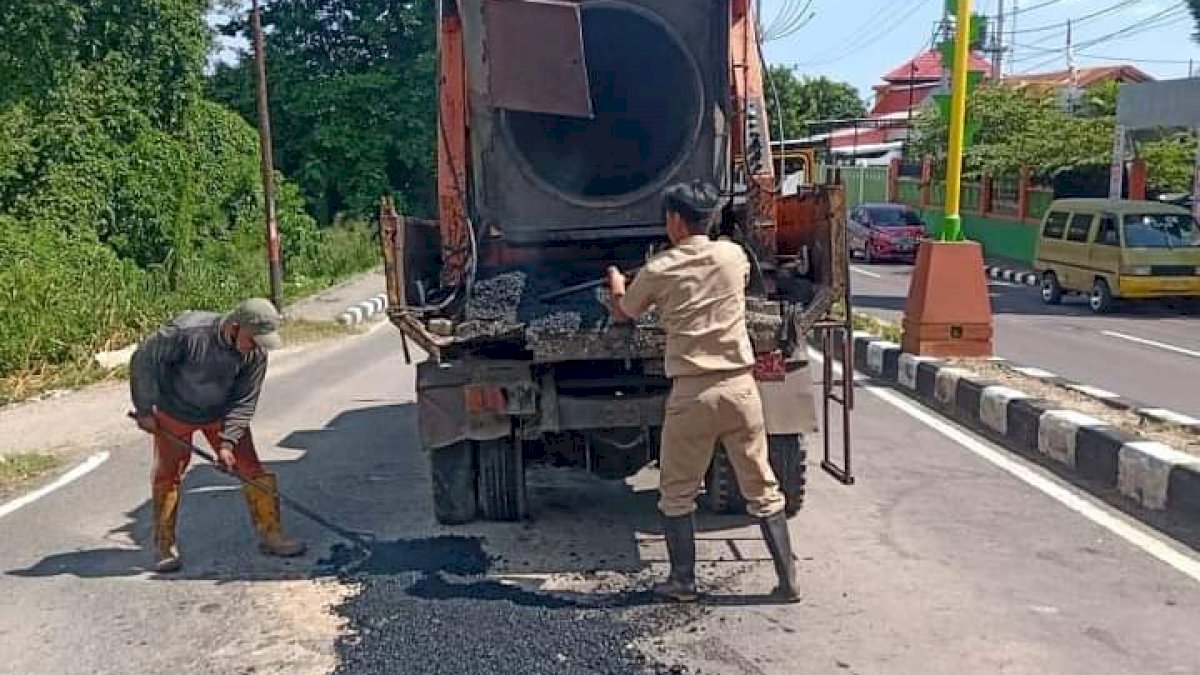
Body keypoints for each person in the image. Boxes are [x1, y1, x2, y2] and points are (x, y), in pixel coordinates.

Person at [606, 181, 799, 603]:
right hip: (740, 389)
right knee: (762, 487)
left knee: (677, 492)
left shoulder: (659, 269)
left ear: (675, 219)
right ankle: (788, 582)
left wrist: (618, 283)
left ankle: (683, 582)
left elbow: (625, 313)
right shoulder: (732, 255)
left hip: (693, 394)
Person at [129, 298, 306, 573]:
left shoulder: (255, 354)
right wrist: (144, 409)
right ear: (234, 327)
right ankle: (164, 545)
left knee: (252, 469)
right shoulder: (186, 333)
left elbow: (244, 401)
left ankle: (271, 535)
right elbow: (144, 361)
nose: (257, 347)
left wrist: (227, 443)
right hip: (174, 411)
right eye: (253, 339)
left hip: (221, 414)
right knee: (168, 474)